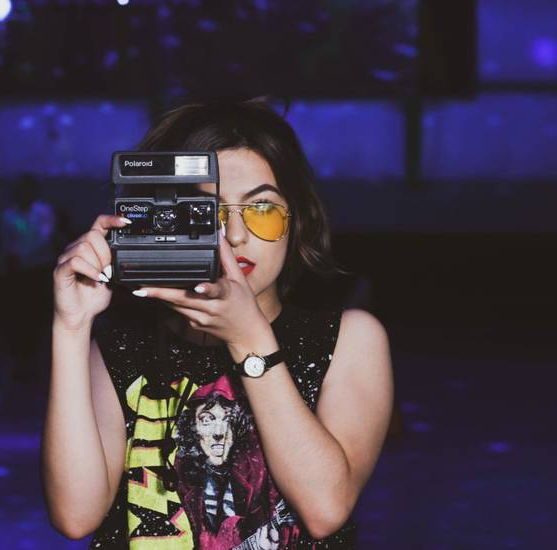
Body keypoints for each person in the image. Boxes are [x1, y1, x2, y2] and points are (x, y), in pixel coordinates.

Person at [42, 99, 394, 548]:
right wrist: (70, 329)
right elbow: (75, 516)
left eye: (262, 208)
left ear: (297, 221)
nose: (234, 235)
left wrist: (249, 340)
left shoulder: (349, 338)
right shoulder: (119, 350)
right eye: (208, 212)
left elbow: (326, 508)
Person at [0, 173, 58, 380]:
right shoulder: (9, 216)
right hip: (19, 275)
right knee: (19, 317)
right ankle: (21, 359)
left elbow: (43, 238)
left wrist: (20, 255)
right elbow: (6, 245)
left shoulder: (43, 212)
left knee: (38, 316)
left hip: (38, 272)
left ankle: (36, 360)